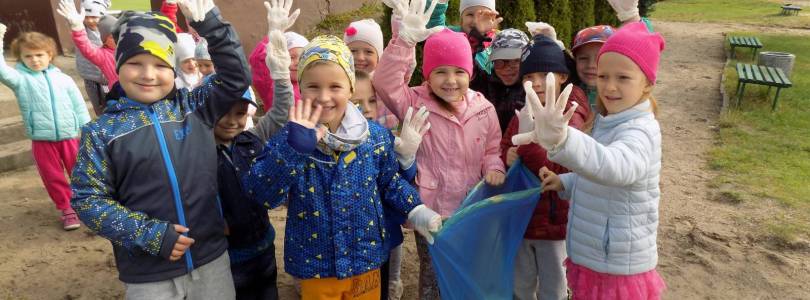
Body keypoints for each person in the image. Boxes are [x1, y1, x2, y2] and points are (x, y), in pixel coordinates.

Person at [241, 24, 441, 297]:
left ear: (350, 88)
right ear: (302, 87)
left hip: (366, 260)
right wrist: (292, 150)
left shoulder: (375, 138)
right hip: (317, 266)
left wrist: (416, 210)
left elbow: (390, 184)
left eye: (335, 86)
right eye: (313, 86)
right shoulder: (290, 136)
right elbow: (262, 194)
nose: (324, 97)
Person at [70, 1, 251, 297]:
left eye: (160, 65)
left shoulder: (195, 107)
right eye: (135, 63)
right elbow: (88, 199)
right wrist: (149, 234)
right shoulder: (101, 132)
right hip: (147, 273)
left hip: (210, 258)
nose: (148, 75)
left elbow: (235, 78)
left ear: (174, 69)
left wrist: (211, 25)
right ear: (118, 65)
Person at [517, 21, 667, 300]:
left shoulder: (640, 130)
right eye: (603, 75)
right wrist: (565, 182)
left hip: (618, 263)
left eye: (623, 78)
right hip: (597, 253)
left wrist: (564, 139)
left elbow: (615, 168)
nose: (610, 86)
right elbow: (597, 174)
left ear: (647, 82)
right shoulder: (609, 120)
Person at [373, 1, 505, 298]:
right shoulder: (415, 101)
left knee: (467, 270)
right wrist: (405, 41)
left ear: (470, 73)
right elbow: (384, 81)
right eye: (440, 71)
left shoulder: (483, 108)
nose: (450, 80)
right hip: (431, 210)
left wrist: (495, 167)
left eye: (459, 71)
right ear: (428, 74)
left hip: (471, 206)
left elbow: (492, 148)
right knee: (433, 276)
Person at [501, 34, 590, 300]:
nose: (537, 83)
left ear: (562, 77)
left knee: (554, 287)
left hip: (554, 222)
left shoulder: (569, 115)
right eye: (530, 77)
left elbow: (560, 168)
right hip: (522, 219)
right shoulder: (522, 112)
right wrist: (507, 154)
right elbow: (506, 142)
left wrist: (527, 148)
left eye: (545, 74)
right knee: (521, 283)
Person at [0, 25, 91, 231]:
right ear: (21, 58)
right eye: (28, 56)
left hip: (70, 136)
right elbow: (1, 70)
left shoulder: (64, 79)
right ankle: (67, 208)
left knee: (80, 172)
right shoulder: (21, 80)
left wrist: (87, 130)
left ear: (50, 55)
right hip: (42, 140)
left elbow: (78, 105)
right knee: (53, 176)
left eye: (39, 54)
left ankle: (86, 204)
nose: (35, 60)